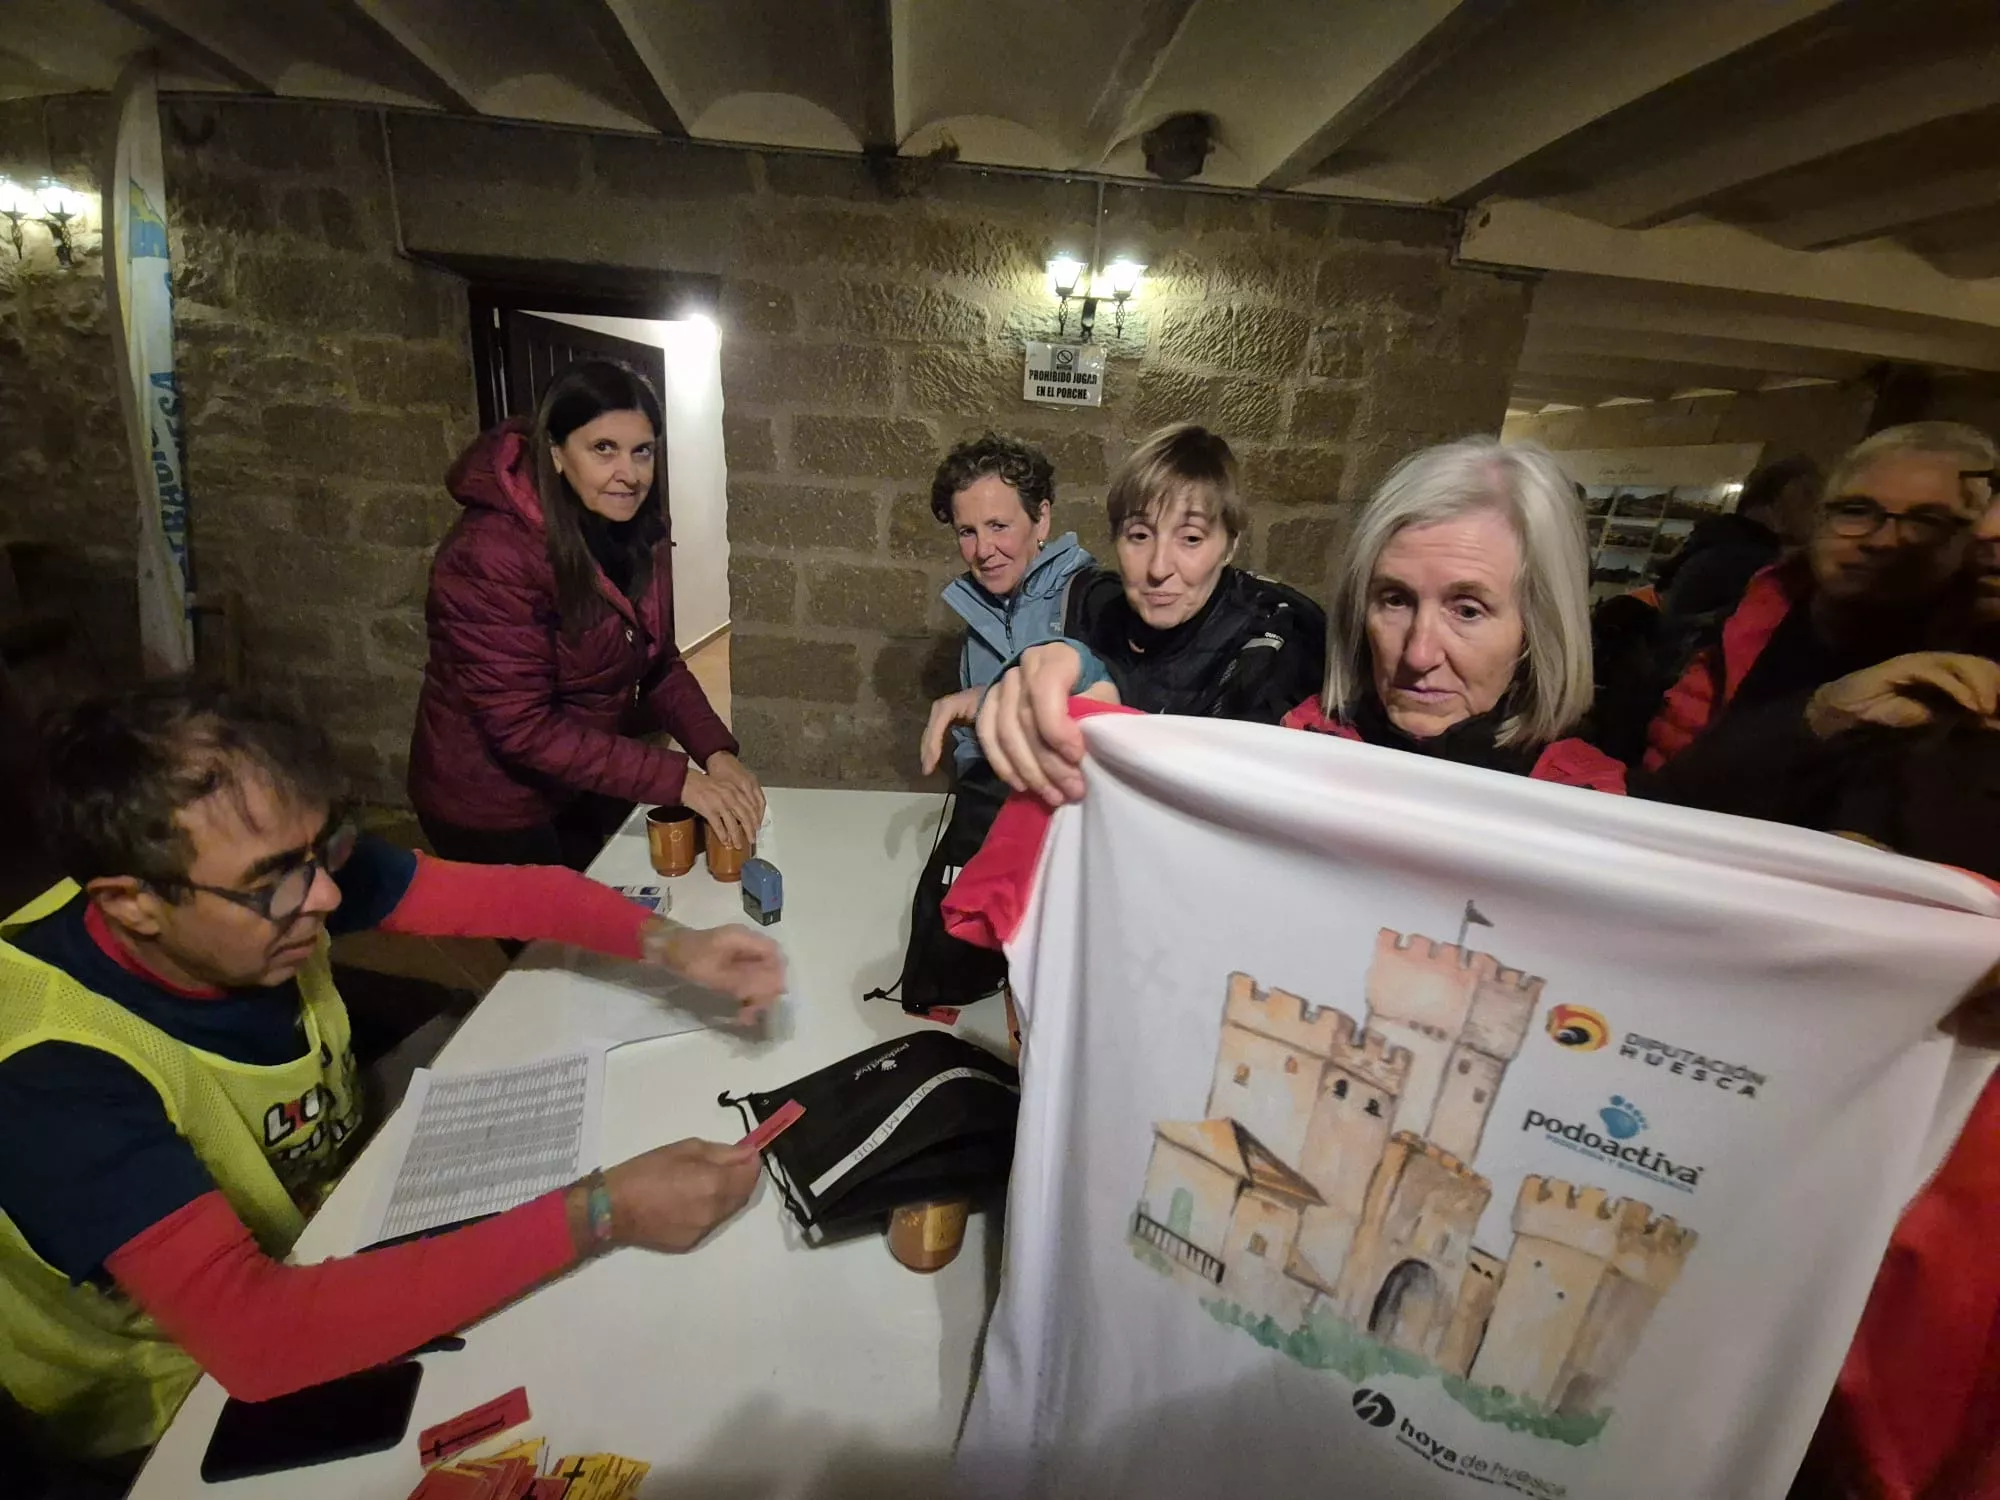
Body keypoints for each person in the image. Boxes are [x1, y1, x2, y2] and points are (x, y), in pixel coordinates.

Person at [0, 685, 785, 1467]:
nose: (327, 894)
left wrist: (676, 945)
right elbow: (259, 1336)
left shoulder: (269, 875)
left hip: (318, 1224)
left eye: (324, 850)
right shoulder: (48, 1072)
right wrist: (605, 1211)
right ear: (131, 904)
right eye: (276, 880)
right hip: (172, 1398)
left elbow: (521, 894)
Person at [977, 437, 1620, 803]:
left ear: (1538, 627)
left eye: (1468, 609)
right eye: (1395, 600)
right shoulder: (1300, 741)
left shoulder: (1593, 813)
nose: (1419, 653)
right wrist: (1052, 668)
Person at [410, 359, 764, 869]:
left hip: (572, 775)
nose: (629, 474)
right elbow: (522, 726)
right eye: (603, 448)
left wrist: (716, 752)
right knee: (555, 921)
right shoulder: (490, 553)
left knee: (609, 894)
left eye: (642, 451)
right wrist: (680, 780)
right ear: (555, 452)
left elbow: (658, 665)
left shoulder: (636, 530)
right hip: (488, 801)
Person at [1634, 422, 1996, 771]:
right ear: (1819, 519)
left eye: (1928, 520)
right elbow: (1663, 786)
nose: (1882, 540)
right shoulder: (1738, 629)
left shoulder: (1978, 676)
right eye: (1856, 510)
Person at [917, 433, 1093, 779]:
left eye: (998, 526)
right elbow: (974, 746)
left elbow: (1108, 725)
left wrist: (987, 701)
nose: (983, 550)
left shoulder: (1092, 598)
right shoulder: (980, 609)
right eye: (967, 532)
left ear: (1041, 519)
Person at [1656, 453, 1821, 620]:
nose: (1817, 518)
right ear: (1778, 505)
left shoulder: (1718, 542)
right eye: (1809, 504)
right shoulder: (1747, 559)